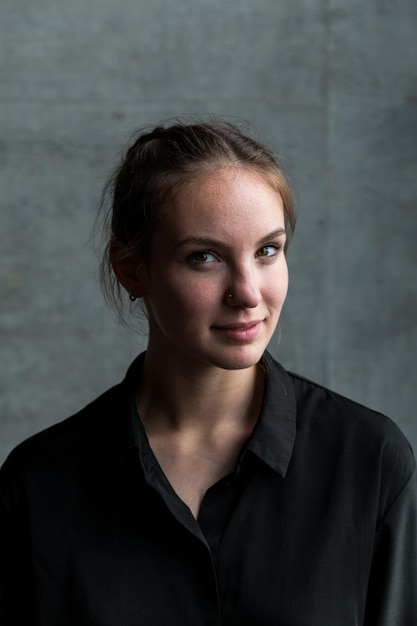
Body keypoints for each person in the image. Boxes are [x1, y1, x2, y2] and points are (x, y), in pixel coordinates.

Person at [0, 119, 416, 625]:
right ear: (132, 269)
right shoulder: (38, 486)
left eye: (268, 250)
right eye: (204, 257)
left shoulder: (368, 461)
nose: (248, 292)